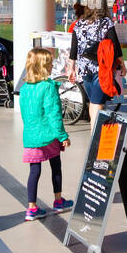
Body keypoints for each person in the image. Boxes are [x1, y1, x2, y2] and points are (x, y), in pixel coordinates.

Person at [20, 47, 73, 220]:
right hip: (48, 135)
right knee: (55, 165)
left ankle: (32, 208)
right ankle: (58, 200)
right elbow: (54, 114)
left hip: (31, 136)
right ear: (43, 67)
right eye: (50, 63)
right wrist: (63, 136)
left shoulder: (25, 88)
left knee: (34, 171)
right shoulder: (48, 87)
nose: (52, 66)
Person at [71, 0, 125, 131]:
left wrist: (72, 68)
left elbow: (74, 49)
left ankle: (93, 133)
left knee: (94, 103)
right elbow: (116, 46)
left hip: (84, 70)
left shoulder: (78, 24)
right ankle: (95, 136)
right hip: (101, 69)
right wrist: (122, 65)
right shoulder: (106, 23)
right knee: (97, 104)